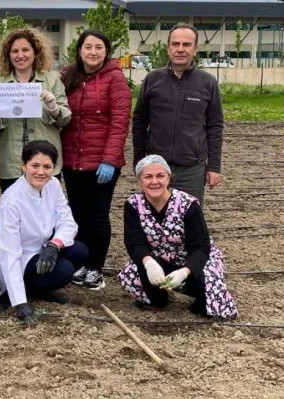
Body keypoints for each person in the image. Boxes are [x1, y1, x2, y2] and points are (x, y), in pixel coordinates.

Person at [118, 155, 237, 319]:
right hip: (157, 258)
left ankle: (199, 301)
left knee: (208, 296)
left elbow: (201, 247)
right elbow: (134, 242)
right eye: (148, 177)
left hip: (192, 259)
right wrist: (148, 262)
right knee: (135, 272)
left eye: (160, 176)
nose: (154, 182)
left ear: (168, 178)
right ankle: (157, 300)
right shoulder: (133, 204)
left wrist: (185, 271)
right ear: (140, 180)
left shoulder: (188, 204)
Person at [59, 30, 132, 290]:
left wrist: (110, 159)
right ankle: (80, 262)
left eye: (98, 47)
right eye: (87, 46)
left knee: (98, 216)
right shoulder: (68, 75)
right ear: (79, 50)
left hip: (101, 162)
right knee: (77, 214)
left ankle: (95, 268)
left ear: (106, 51)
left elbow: (119, 122)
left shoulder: (115, 79)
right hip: (72, 160)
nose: (92, 52)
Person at [0, 141, 88, 326]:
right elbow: (10, 253)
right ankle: (13, 295)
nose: (41, 172)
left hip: (41, 247)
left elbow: (67, 222)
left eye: (47, 166)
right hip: (13, 257)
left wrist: (54, 244)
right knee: (64, 271)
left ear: (54, 168)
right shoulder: (11, 201)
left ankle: (37, 289)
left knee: (79, 251)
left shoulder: (53, 185)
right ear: (23, 165)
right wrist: (20, 304)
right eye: (35, 165)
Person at [132, 23, 224, 204]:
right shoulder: (153, 79)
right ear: (168, 48)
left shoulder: (207, 82)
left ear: (195, 49)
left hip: (192, 168)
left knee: (190, 219)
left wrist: (214, 166)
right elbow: (139, 122)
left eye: (187, 45)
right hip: (156, 167)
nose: (180, 49)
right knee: (155, 218)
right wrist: (139, 162)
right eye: (175, 44)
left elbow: (215, 126)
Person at [0, 27, 71, 193]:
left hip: (44, 163)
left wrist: (54, 107)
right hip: (12, 163)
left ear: (35, 52)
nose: (20, 55)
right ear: (8, 55)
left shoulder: (52, 81)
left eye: (25, 50)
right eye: (14, 51)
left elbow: (65, 120)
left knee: (46, 212)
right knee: (14, 213)